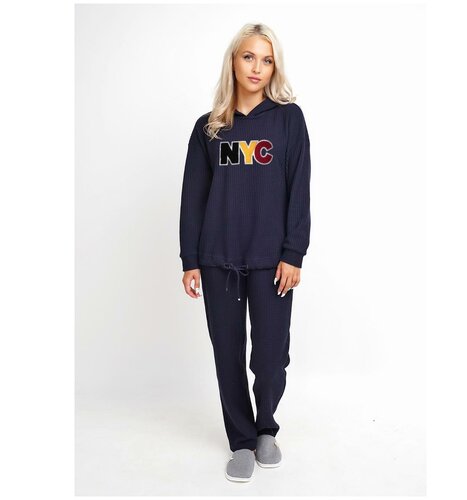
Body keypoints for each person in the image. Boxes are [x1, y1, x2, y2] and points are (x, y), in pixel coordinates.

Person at [178, 22, 311, 482]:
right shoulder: (209, 128)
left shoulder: (289, 120)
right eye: (249, 57)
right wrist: (190, 260)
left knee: (271, 357)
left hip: (272, 260)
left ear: (275, 67)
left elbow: (299, 189)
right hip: (218, 259)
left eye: (267, 59)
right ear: (233, 62)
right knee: (228, 354)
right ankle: (241, 439)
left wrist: (294, 252)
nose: (257, 67)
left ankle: (265, 428)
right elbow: (193, 197)